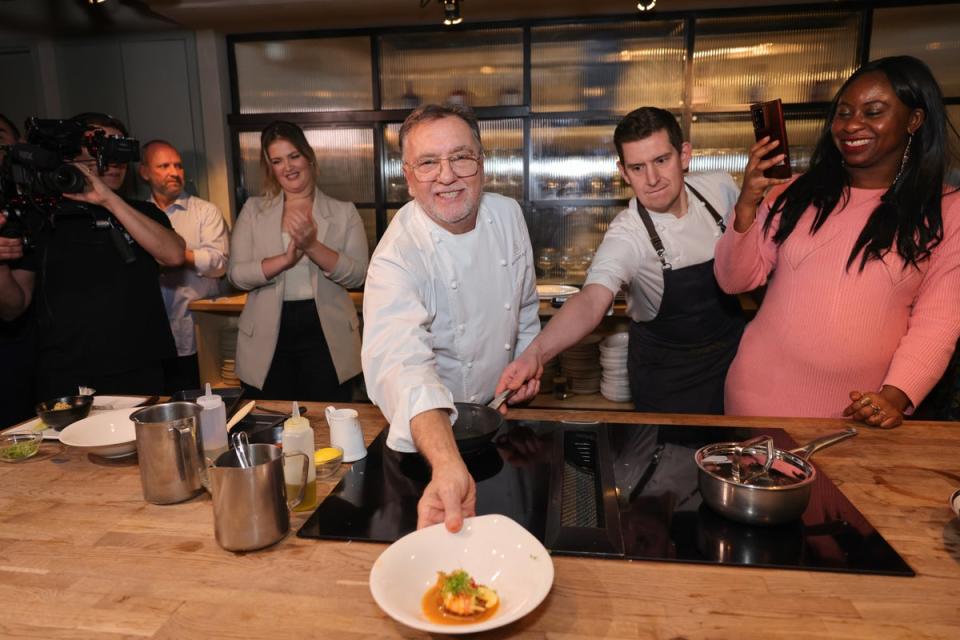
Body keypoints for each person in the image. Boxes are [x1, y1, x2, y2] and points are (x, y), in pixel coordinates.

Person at [714, 56, 960, 429]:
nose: (852, 124)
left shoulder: (946, 210)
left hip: (857, 415)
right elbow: (735, 280)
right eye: (843, 113)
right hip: (757, 398)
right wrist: (746, 204)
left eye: (873, 111)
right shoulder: (795, 192)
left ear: (914, 120)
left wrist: (894, 396)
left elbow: (939, 321)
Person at [361, 104, 539, 533]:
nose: (446, 176)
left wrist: (528, 363)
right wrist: (445, 461)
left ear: (482, 161)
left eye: (460, 157)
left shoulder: (508, 215)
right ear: (407, 176)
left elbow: (526, 307)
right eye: (427, 163)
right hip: (429, 447)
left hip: (501, 427)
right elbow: (401, 365)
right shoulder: (397, 256)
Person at [496, 107, 742, 414]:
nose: (652, 179)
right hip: (670, 381)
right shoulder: (629, 234)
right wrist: (535, 354)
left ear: (685, 155)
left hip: (736, 361)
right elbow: (592, 300)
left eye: (661, 161)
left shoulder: (721, 188)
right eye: (637, 168)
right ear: (623, 172)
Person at [0, 112, 184, 399]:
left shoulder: (144, 214)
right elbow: (13, 307)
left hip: (140, 368)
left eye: (118, 148)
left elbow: (173, 254)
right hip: (67, 376)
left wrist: (108, 201)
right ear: (70, 153)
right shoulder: (39, 217)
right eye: (99, 147)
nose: (111, 159)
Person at [227, 121, 367, 402]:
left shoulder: (344, 212)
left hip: (326, 333)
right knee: (272, 422)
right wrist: (285, 260)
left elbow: (359, 275)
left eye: (294, 156)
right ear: (270, 168)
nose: (288, 167)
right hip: (267, 334)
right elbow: (236, 275)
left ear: (309, 156)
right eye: (277, 161)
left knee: (326, 423)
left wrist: (312, 246)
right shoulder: (254, 210)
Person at [139, 140, 229, 394]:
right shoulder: (137, 215)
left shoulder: (205, 212)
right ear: (144, 172)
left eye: (178, 165)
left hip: (196, 333)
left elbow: (219, 264)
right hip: (152, 336)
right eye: (164, 166)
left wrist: (175, 254)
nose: (173, 172)